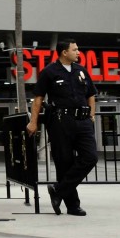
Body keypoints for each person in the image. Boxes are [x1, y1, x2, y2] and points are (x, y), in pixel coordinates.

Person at [26, 39, 98, 216]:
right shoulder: (49, 71)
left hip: (83, 121)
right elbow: (38, 98)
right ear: (64, 52)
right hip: (60, 121)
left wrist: (92, 116)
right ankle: (73, 206)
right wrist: (33, 122)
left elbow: (91, 94)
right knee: (64, 162)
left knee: (90, 157)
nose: (78, 52)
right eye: (75, 50)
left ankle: (58, 190)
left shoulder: (81, 70)